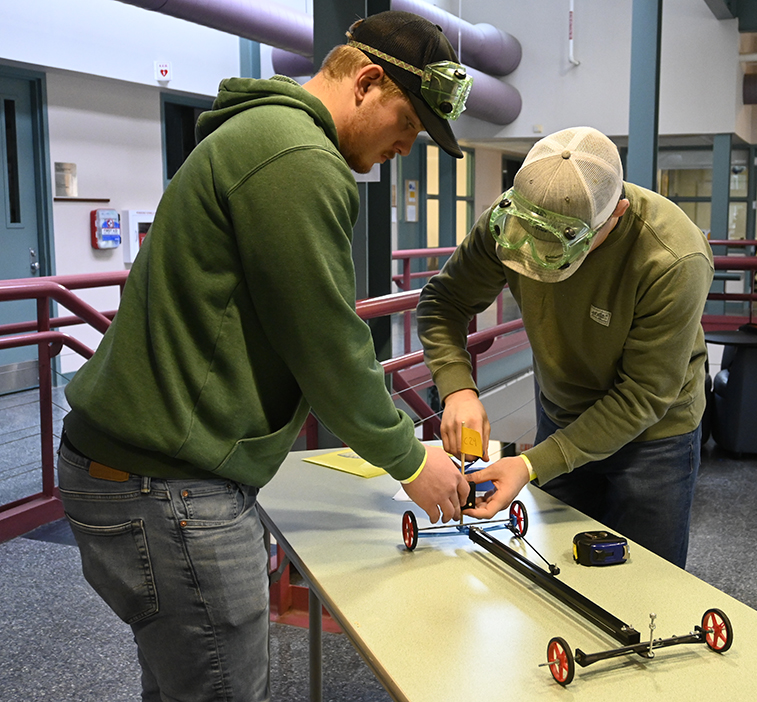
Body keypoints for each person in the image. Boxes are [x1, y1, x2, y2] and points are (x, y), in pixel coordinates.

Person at [57, 11, 472, 702]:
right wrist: (410, 458)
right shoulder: (298, 159)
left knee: (180, 683)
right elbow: (330, 345)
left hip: (136, 473)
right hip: (167, 486)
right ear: (367, 81)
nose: (409, 143)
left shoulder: (261, 136)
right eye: (408, 120)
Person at [417, 126, 714, 568]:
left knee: (649, 584)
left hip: (653, 438)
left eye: (561, 248)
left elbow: (644, 394)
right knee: (551, 570)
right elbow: (444, 302)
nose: (538, 257)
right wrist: (458, 388)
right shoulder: (506, 220)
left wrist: (533, 464)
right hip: (561, 411)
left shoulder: (672, 258)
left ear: (617, 215)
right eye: (530, 238)